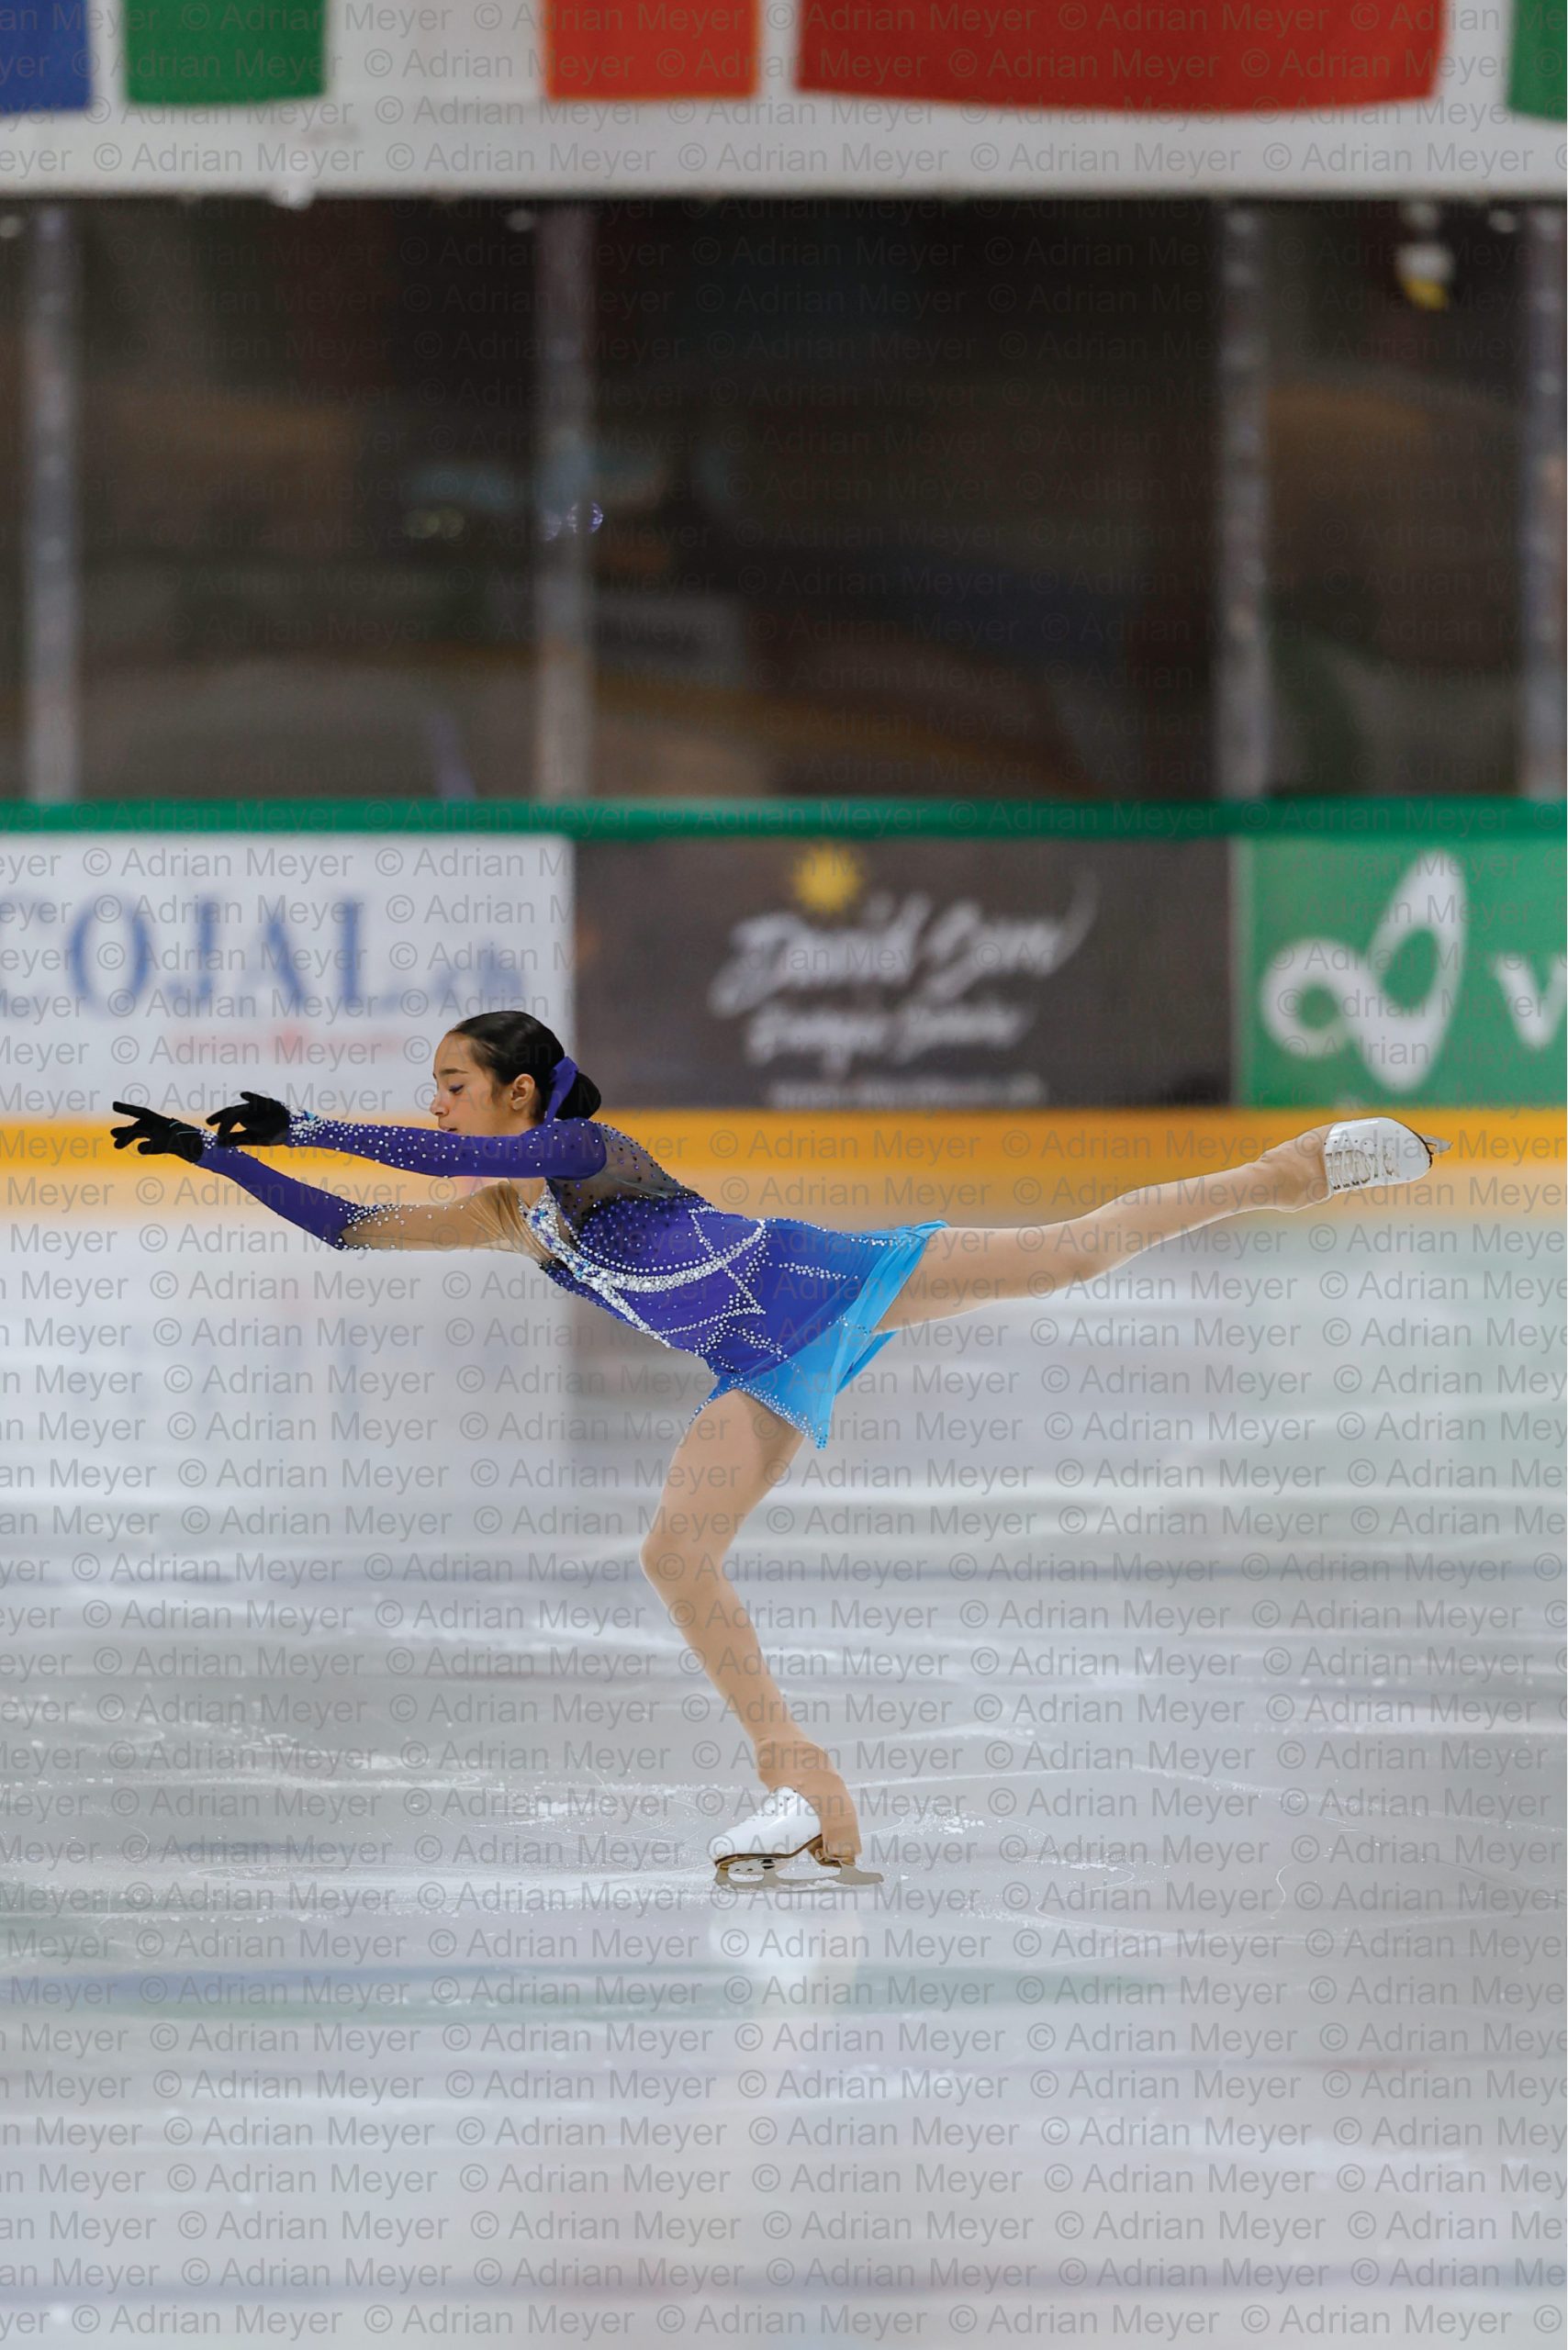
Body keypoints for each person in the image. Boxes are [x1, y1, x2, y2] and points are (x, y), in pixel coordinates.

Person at [111, 1010, 1447, 1881]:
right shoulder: (509, 1218)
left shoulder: (588, 1153)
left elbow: (393, 1156)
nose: (442, 1109)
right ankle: (804, 1780)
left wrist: (311, 1120)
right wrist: (214, 1159)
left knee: (1070, 1251)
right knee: (675, 1557)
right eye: (435, 1094)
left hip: (818, 1276)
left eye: (457, 1089)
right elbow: (352, 1230)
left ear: (519, 1092)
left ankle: (1290, 1170)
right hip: (752, 1360)